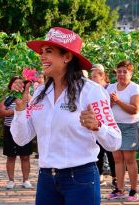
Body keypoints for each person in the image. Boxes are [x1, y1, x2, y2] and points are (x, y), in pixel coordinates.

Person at [10, 27, 122, 205]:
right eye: (42, 52)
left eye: (49, 51)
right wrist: (21, 109)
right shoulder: (39, 93)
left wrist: (98, 126)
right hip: (46, 180)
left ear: (67, 57)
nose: (42, 57)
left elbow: (115, 142)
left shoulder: (91, 92)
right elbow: (21, 139)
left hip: (81, 180)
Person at [106, 60, 139, 201]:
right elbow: (105, 107)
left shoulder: (135, 88)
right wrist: (110, 101)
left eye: (125, 71)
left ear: (131, 73)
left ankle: (133, 191)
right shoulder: (110, 88)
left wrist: (118, 101)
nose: (121, 74)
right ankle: (119, 189)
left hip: (130, 127)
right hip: (113, 126)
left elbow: (135, 110)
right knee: (117, 159)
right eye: (119, 71)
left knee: (129, 159)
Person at [0, 76, 33, 189]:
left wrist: (21, 110)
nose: (17, 85)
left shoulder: (27, 97)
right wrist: (17, 111)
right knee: (11, 156)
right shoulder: (8, 98)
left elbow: (33, 108)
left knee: (25, 156)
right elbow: (1, 111)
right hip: (9, 129)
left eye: (19, 83)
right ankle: (11, 180)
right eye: (15, 83)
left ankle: (26, 180)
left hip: (24, 130)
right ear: (11, 85)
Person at [90, 64, 117, 187]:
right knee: (99, 152)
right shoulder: (92, 89)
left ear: (101, 75)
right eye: (91, 76)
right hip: (96, 126)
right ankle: (99, 175)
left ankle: (115, 177)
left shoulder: (110, 88)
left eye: (94, 76)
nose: (92, 79)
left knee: (111, 152)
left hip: (110, 125)